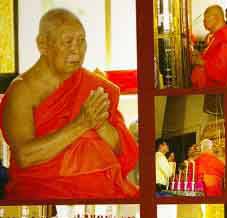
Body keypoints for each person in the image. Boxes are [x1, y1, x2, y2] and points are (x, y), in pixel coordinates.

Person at [0, 9, 139, 200]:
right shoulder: (21, 91)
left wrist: (99, 124)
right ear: (43, 44)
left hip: (105, 194)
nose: (77, 50)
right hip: (43, 193)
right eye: (68, 42)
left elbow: (123, 150)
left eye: (81, 41)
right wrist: (81, 124)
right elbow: (25, 156)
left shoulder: (94, 86)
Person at [191, 5, 227, 88]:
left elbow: (221, 70)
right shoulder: (217, 34)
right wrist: (200, 55)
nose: (203, 21)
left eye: (206, 17)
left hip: (221, 89)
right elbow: (213, 56)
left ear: (216, 18)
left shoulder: (225, 36)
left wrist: (200, 62)